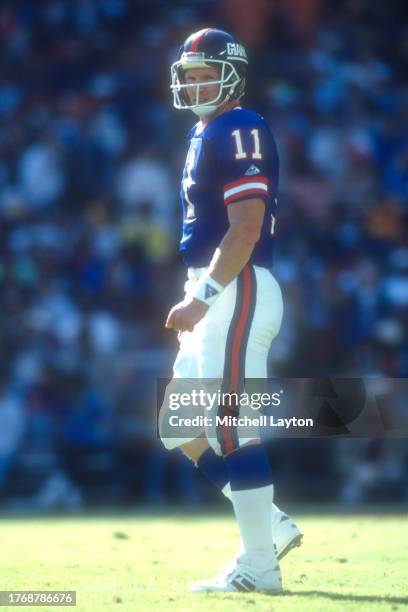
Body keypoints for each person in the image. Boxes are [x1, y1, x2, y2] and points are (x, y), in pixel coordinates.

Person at [160, 28, 302, 594]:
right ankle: (271, 526)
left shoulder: (239, 126)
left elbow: (244, 227)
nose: (196, 84)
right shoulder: (207, 130)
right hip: (219, 284)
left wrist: (203, 296)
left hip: (233, 286)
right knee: (177, 426)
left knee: (232, 427)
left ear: (234, 75)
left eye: (205, 74)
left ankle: (259, 567)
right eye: (189, 75)